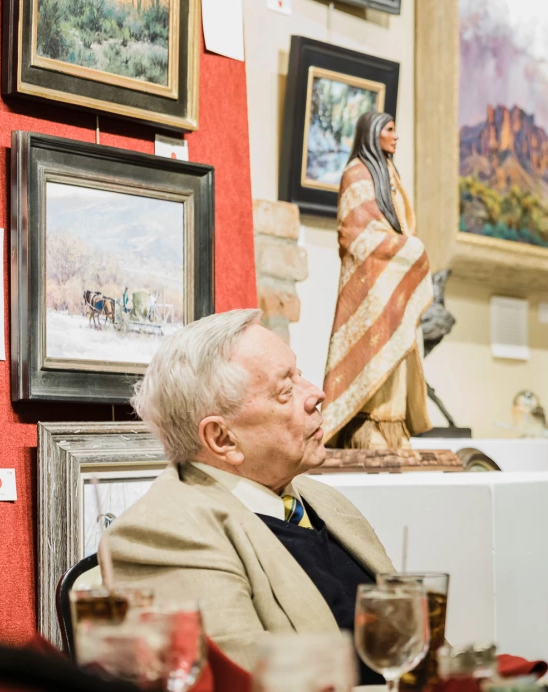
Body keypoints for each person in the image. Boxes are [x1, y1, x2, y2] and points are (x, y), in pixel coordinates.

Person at [106, 309, 395, 682]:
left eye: (299, 374)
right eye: (286, 390)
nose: (317, 394)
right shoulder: (164, 535)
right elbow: (249, 685)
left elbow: (407, 643)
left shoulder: (320, 499)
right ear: (223, 439)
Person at [321, 111, 433, 449]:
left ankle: (393, 428)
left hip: (393, 280)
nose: (396, 136)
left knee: (397, 353)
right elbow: (355, 234)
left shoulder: (390, 174)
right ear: (372, 134)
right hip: (370, 284)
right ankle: (366, 427)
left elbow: (399, 225)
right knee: (372, 355)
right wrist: (405, 248)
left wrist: (406, 248)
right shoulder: (357, 174)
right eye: (389, 130)